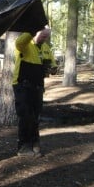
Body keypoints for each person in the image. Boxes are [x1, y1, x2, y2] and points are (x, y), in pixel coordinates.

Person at [12, 26, 57, 157]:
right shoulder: (25, 44)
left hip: (38, 86)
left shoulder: (45, 48)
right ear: (34, 33)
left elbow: (52, 64)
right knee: (25, 116)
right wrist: (33, 26)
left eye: (47, 37)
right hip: (22, 86)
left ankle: (34, 143)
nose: (45, 39)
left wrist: (53, 69)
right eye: (43, 36)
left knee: (35, 117)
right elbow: (19, 43)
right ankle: (23, 147)